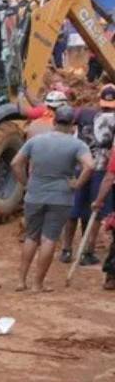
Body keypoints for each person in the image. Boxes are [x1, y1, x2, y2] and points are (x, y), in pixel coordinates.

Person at [12, 104, 94, 293]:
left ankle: (21, 281)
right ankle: (37, 284)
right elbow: (89, 166)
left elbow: (16, 162)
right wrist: (77, 184)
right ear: (73, 124)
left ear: (54, 121)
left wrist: (25, 183)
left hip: (34, 194)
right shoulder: (78, 145)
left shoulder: (36, 141)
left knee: (31, 237)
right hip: (60, 196)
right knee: (49, 239)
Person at [62, 83, 115, 263]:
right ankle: (87, 251)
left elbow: (67, 123)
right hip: (102, 170)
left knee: (75, 209)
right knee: (97, 210)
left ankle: (66, 249)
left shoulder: (84, 113)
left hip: (81, 167)